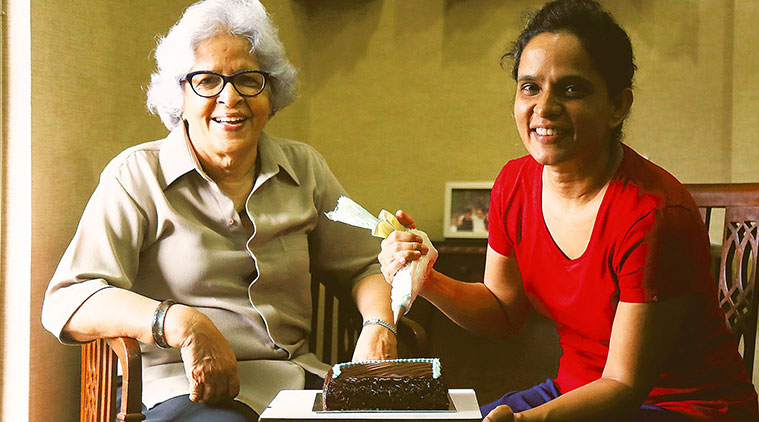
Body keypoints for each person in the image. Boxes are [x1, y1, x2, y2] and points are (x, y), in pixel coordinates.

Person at [378, 0, 759, 421]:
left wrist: (525, 420)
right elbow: (502, 311)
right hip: (577, 390)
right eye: (530, 87)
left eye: (572, 89)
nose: (544, 107)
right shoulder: (514, 184)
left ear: (618, 106)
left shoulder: (653, 216)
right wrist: (424, 277)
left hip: (682, 407)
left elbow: (624, 385)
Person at [41, 1, 398, 421]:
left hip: (296, 385)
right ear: (180, 95)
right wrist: (180, 322)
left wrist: (379, 325)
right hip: (184, 389)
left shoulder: (305, 168)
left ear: (271, 91)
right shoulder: (136, 174)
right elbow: (69, 300)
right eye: (207, 80)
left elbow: (364, 266)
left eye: (249, 80)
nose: (231, 98)